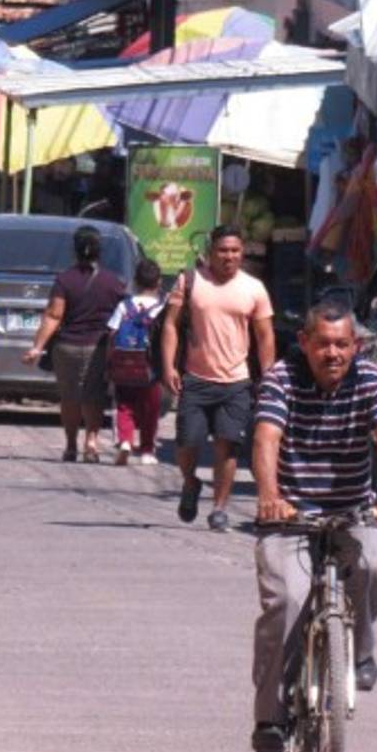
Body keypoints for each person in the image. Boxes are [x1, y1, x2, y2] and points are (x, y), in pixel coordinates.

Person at [249, 301, 377, 752]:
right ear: (305, 343)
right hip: (291, 516)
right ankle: (270, 716)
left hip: (353, 512)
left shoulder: (373, 381)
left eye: (342, 344)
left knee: (375, 567)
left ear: (356, 346)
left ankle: (359, 649)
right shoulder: (281, 379)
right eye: (323, 344)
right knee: (285, 602)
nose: (333, 354)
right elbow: (266, 437)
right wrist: (270, 496)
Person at [160, 225, 276, 530]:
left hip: (236, 383)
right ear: (211, 252)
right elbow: (170, 325)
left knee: (228, 446)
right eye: (223, 250)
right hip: (195, 379)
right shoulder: (190, 281)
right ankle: (190, 482)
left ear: (242, 253)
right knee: (187, 444)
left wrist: (269, 378)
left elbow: (265, 337)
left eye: (235, 251)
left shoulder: (254, 289)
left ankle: (219, 507)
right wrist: (168, 366)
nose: (229, 256)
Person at [23, 225, 126, 462]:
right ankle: (91, 440)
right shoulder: (114, 283)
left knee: (69, 397)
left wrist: (37, 347)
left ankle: (70, 445)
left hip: (66, 348)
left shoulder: (64, 280)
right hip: (98, 348)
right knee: (94, 397)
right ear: (100, 251)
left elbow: (53, 315)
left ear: (75, 250)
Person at [106, 258, 165, 466]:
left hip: (125, 365)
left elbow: (112, 333)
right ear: (159, 282)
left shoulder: (124, 306)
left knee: (124, 405)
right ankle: (148, 450)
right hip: (151, 368)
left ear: (136, 282)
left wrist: (110, 362)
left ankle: (125, 441)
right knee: (151, 409)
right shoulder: (162, 307)